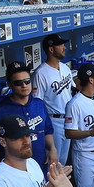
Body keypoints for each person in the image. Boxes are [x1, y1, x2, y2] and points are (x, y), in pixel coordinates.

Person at [0, 61, 57, 177]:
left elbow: (47, 131)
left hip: (40, 168)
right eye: (18, 83)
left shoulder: (39, 104)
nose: (24, 85)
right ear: (9, 85)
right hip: (14, 173)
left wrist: (52, 148)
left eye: (27, 81)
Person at [33, 34, 74, 166]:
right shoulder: (40, 73)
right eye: (61, 45)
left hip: (68, 120)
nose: (64, 47)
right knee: (52, 164)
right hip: (53, 122)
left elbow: (71, 91)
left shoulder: (66, 68)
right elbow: (37, 104)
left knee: (62, 162)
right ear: (51, 49)